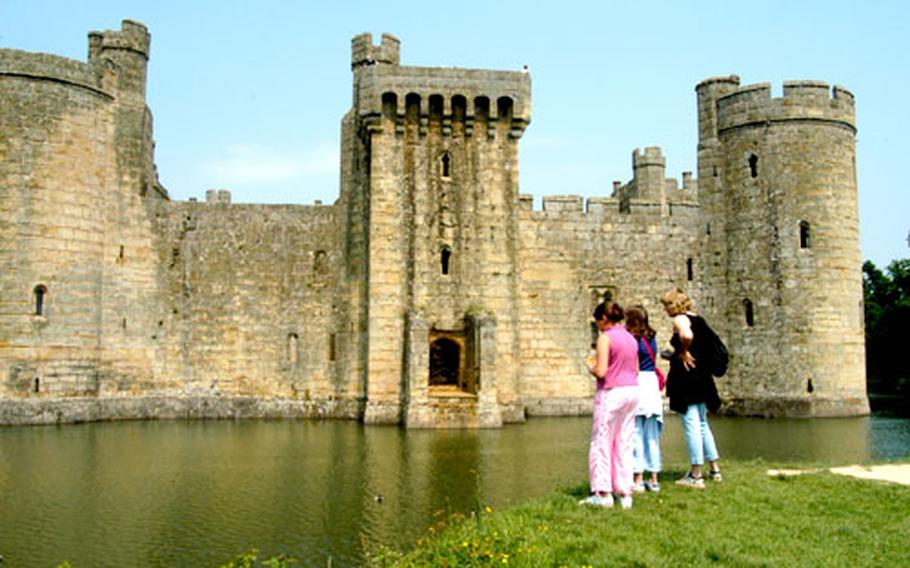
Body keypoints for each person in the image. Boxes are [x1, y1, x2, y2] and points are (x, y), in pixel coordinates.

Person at [579, 301, 640, 509]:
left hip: (611, 392)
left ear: (604, 319)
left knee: (601, 441)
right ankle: (625, 494)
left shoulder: (605, 338)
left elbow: (602, 371)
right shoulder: (630, 338)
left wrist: (590, 367)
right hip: (632, 391)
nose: (597, 325)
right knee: (624, 441)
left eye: (597, 321)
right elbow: (636, 369)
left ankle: (602, 493)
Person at [660, 287, 722, 488]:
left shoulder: (680, 320)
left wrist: (684, 351)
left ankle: (696, 475)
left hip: (687, 379)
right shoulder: (698, 319)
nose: (665, 309)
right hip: (702, 377)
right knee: (702, 424)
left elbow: (686, 336)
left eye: (666, 304)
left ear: (674, 304)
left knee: (691, 425)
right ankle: (714, 469)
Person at [626, 305, 663, 493]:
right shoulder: (652, 337)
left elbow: (634, 366)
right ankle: (654, 479)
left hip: (639, 383)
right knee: (652, 436)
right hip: (652, 385)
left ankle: (638, 479)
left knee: (636, 434)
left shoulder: (634, 340)